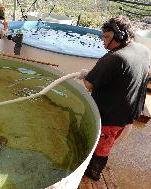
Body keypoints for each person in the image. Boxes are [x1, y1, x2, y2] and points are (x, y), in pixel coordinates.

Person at [78, 16, 151, 181]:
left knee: (102, 146)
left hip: (110, 116)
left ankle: (93, 172)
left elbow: (89, 85)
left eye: (106, 37)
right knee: (108, 142)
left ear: (120, 36)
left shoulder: (113, 58)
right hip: (129, 112)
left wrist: (85, 75)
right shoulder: (143, 50)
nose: (103, 42)